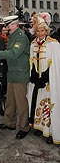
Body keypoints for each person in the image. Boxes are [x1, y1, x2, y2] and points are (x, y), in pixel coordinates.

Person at [0, 16, 30, 139]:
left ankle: (24, 127)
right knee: (10, 101)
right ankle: (9, 123)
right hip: (12, 74)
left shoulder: (21, 37)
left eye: (8, 25)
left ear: (15, 24)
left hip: (20, 75)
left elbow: (13, 54)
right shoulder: (12, 37)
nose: (6, 27)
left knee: (21, 104)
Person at [27, 12, 60, 145]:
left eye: (42, 31)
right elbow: (31, 61)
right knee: (36, 103)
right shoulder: (33, 44)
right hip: (37, 82)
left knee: (50, 105)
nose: (40, 34)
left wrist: (47, 77)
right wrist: (34, 74)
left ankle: (52, 131)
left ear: (46, 30)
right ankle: (39, 127)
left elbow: (57, 65)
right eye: (38, 31)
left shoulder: (54, 44)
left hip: (49, 83)